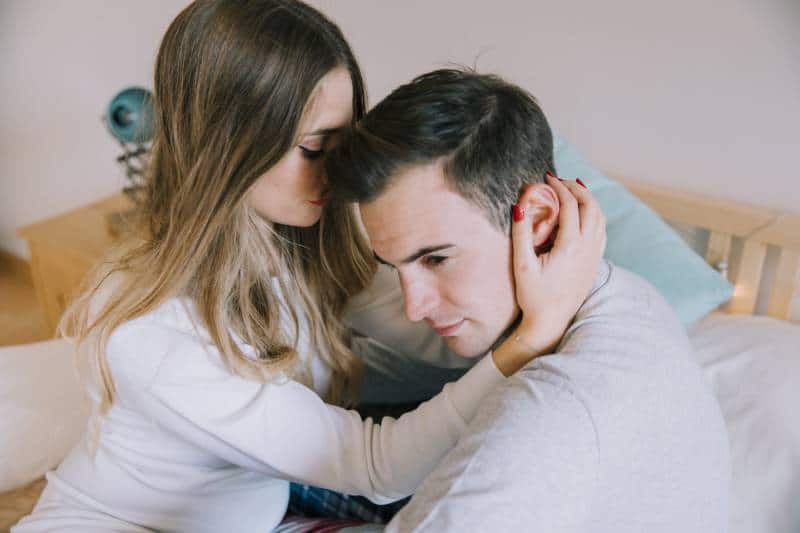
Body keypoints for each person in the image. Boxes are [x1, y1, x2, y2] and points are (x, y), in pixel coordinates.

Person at [12, 3, 604, 532]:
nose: (339, 172)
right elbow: (376, 465)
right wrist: (530, 339)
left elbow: (443, 335)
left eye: (346, 144)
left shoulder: (301, 248)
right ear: (231, 146)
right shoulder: (151, 332)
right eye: (317, 149)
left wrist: (535, 270)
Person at [326, 68, 731, 532]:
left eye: (436, 259)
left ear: (537, 217)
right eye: (394, 266)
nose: (414, 306)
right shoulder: (629, 294)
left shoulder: (546, 413)